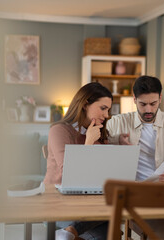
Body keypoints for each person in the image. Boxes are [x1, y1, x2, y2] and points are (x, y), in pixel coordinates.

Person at [106, 75, 164, 238]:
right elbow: (97, 143)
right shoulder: (117, 122)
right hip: (141, 193)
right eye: (143, 104)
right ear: (134, 99)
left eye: (153, 104)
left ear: (160, 98)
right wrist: (117, 140)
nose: (148, 110)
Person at [44, 82, 113, 240]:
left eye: (108, 110)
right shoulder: (59, 130)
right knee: (107, 227)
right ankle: (71, 231)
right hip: (58, 203)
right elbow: (70, 173)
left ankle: (70, 232)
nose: (107, 115)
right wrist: (88, 143)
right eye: (103, 108)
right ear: (85, 104)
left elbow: (102, 173)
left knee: (111, 214)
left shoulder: (99, 133)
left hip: (91, 204)